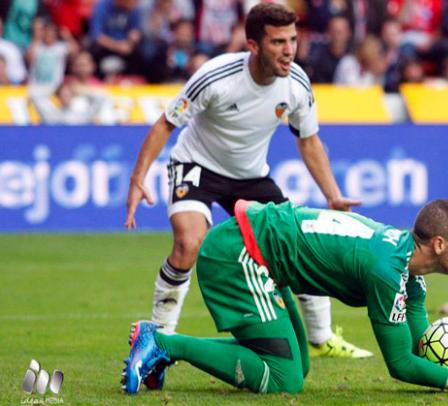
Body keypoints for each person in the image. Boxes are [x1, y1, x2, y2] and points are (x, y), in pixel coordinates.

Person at [124, 3, 372, 377]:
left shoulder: (297, 83)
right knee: (189, 243)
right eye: (277, 42)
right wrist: (138, 177)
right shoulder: (216, 76)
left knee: (300, 243)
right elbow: (165, 124)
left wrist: (333, 195)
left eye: (292, 40)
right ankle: (159, 341)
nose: (289, 50)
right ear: (253, 45)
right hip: (197, 166)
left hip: (251, 175)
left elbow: (309, 141)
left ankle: (320, 339)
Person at [122, 199, 448, 394]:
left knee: (299, 368)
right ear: (437, 243)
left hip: (260, 255)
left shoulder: (407, 270)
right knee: (284, 378)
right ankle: (160, 341)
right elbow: (399, 364)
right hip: (240, 254)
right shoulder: (388, 271)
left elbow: (418, 346)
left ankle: (163, 351)